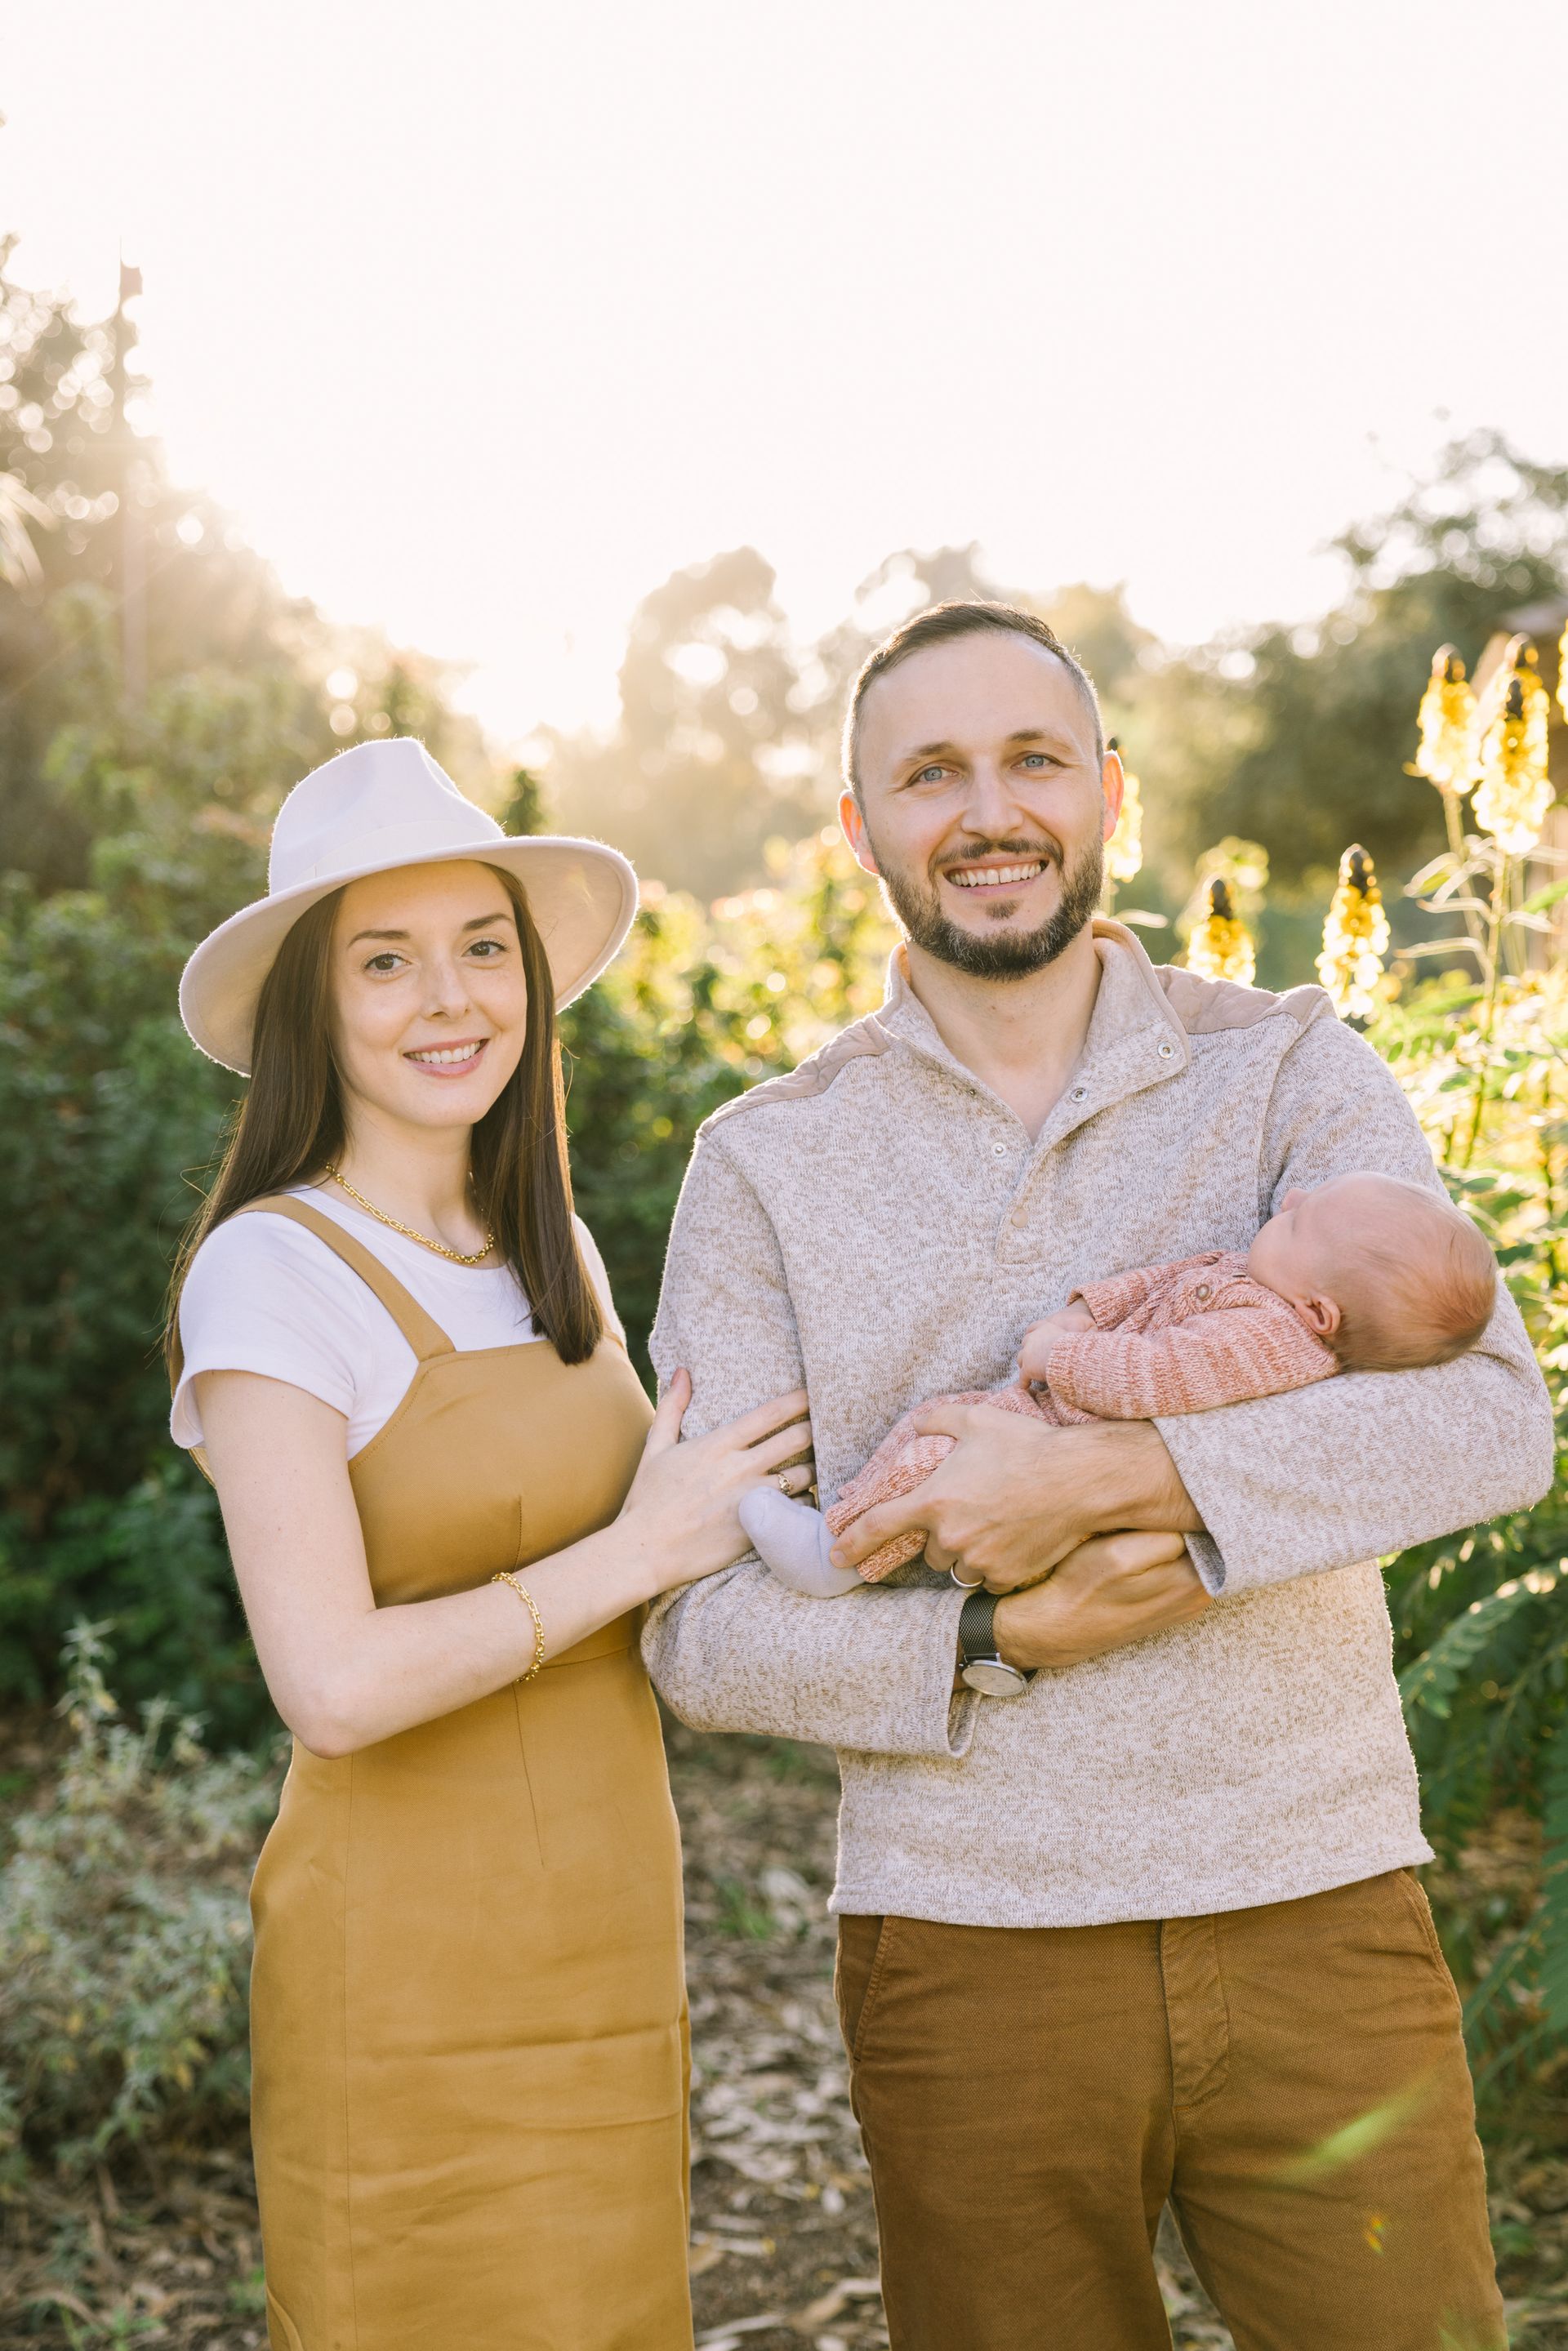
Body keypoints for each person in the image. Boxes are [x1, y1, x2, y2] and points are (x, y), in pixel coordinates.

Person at [644, 603, 1554, 2351]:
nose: (990, 809)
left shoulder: (1291, 1068)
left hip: (1316, 1904)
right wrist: (996, 1631)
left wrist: (1118, 1470)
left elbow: (1489, 1420)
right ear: (861, 829)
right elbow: (700, 1621)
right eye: (931, 772)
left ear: (1112, 801)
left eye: (1034, 758)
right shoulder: (767, 1163)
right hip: (973, 1946)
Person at [166, 737, 811, 2351]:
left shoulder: (552, 1241)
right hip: (403, 1967)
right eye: (385, 959)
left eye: (480, 946)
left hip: (606, 1919)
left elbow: (672, 1524)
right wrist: (642, 1548)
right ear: (316, 1006)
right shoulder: (271, 1273)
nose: (449, 997)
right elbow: (329, 1681)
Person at [741, 1169, 1500, 1595]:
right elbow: (1160, 1281)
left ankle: (838, 1555)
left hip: (1060, 1428)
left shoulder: (1271, 1341)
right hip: (1042, 1418)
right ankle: (846, 1514)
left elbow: (1153, 1377)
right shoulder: (1260, 1279)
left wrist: (1056, 1358)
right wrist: (1085, 1310)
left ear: (1319, 1312)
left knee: (932, 1459)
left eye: (1303, 1223)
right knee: (934, 1426)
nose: (1292, 1200)